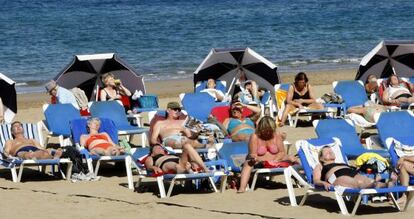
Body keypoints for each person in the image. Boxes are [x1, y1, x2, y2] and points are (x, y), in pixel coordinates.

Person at [238, 116, 295, 192]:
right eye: (266, 130)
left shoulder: (276, 135)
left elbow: (282, 152)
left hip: (276, 160)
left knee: (293, 158)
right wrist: (255, 159)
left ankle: (305, 180)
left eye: (270, 130)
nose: (268, 132)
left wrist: (276, 160)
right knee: (248, 164)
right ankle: (242, 187)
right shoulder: (255, 137)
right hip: (259, 161)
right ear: (261, 128)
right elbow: (253, 154)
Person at [313, 146, 391, 190]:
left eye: (331, 151)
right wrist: (324, 183)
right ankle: (374, 184)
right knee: (358, 183)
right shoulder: (320, 166)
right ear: (321, 158)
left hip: (351, 171)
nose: (330, 153)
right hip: (336, 175)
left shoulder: (341, 162)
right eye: (327, 153)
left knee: (366, 180)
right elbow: (316, 180)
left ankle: (386, 184)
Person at [145, 143, 209, 174]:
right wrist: (154, 167)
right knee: (175, 165)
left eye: (161, 148)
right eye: (157, 148)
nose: (160, 149)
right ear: (152, 153)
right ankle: (186, 171)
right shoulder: (151, 157)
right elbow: (148, 166)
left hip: (179, 160)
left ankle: (205, 168)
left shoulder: (170, 153)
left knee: (187, 145)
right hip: (165, 163)